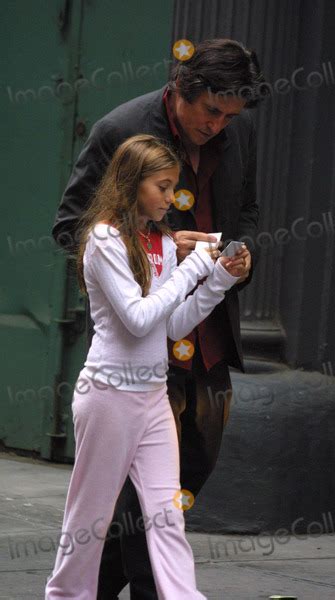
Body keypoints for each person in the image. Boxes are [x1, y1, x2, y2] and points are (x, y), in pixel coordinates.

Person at [51, 38, 265, 599]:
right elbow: (74, 225)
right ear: (183, 90)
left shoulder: (237, 133)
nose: (218, 125)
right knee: (113, 507)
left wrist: (230, 263)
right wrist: (159, 249)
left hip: (204, 331)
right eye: (211, 112)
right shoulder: (121, 130)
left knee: (178, 492)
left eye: (230, 115)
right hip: (126, 360)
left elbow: (246, 211)